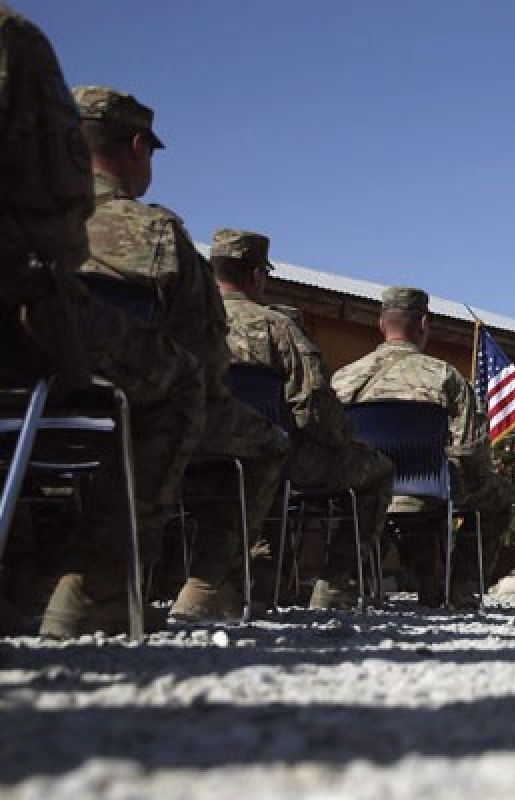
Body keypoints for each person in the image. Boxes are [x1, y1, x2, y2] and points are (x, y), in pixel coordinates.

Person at [0, 7, 205, 638]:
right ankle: (98, 590)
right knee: (184, 382)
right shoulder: (10, 41)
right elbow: (54, 219)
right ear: (137, 147)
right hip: (34, 342)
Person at [73, 86, 289, 621]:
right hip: (122, 410)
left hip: (16, 406)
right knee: (245, 431)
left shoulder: (17, 221)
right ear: (139, 145)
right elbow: (204, 355)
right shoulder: (156, 233)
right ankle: (200, 586)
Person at [213, 228, 394, 609]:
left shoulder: (184, 321)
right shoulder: (277, 327)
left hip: (181, 448)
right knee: (376, 470)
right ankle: (333, 585)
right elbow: (314, 406)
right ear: (256, 275)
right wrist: (342, 439)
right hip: (271, 459)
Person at [331, 287, 511, 607]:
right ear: (424, 325)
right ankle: (462, 588)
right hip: (430, 485)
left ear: (381, 324)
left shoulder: (344, 378)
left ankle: (341, 581)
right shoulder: (445, 376)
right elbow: (470, 448)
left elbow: (329, 438)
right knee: (495, 495)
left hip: (360, 489)